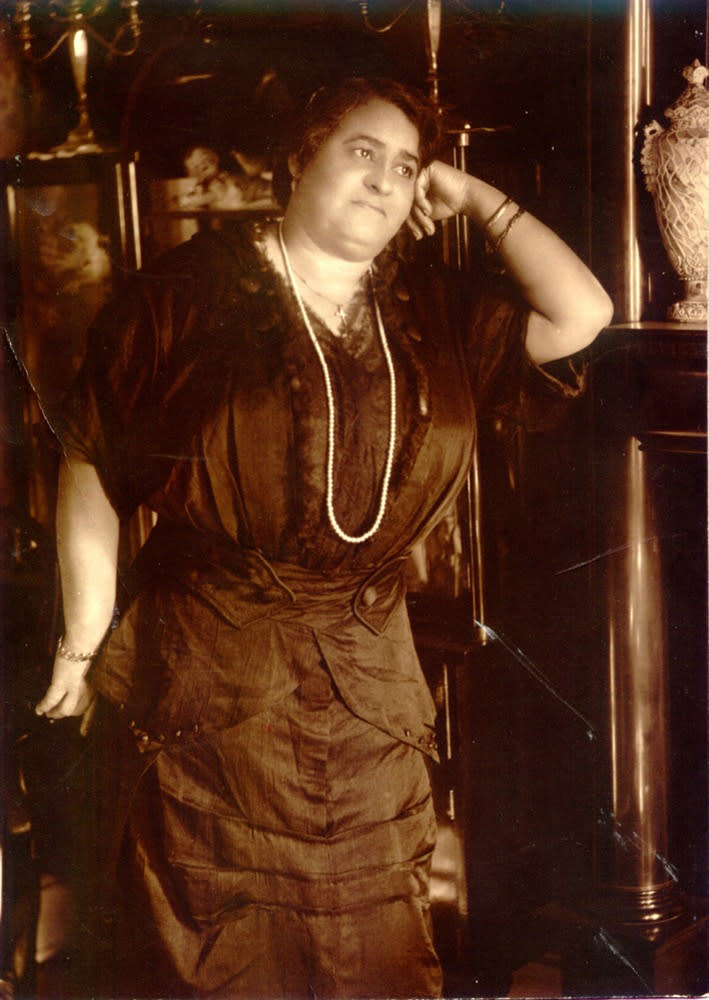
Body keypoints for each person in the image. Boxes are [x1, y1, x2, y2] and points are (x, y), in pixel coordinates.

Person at [34, 76, 612, 999]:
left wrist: (471, 195)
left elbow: (582, 314)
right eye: (360, 151)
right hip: (209, 672)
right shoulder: (178, 298)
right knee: (213, 948)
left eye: (407, 167)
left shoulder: (431, 312)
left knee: (372, 947)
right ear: (297, 160)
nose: (385, 180)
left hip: (371, 681)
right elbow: (93, 465)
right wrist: (82, 639)